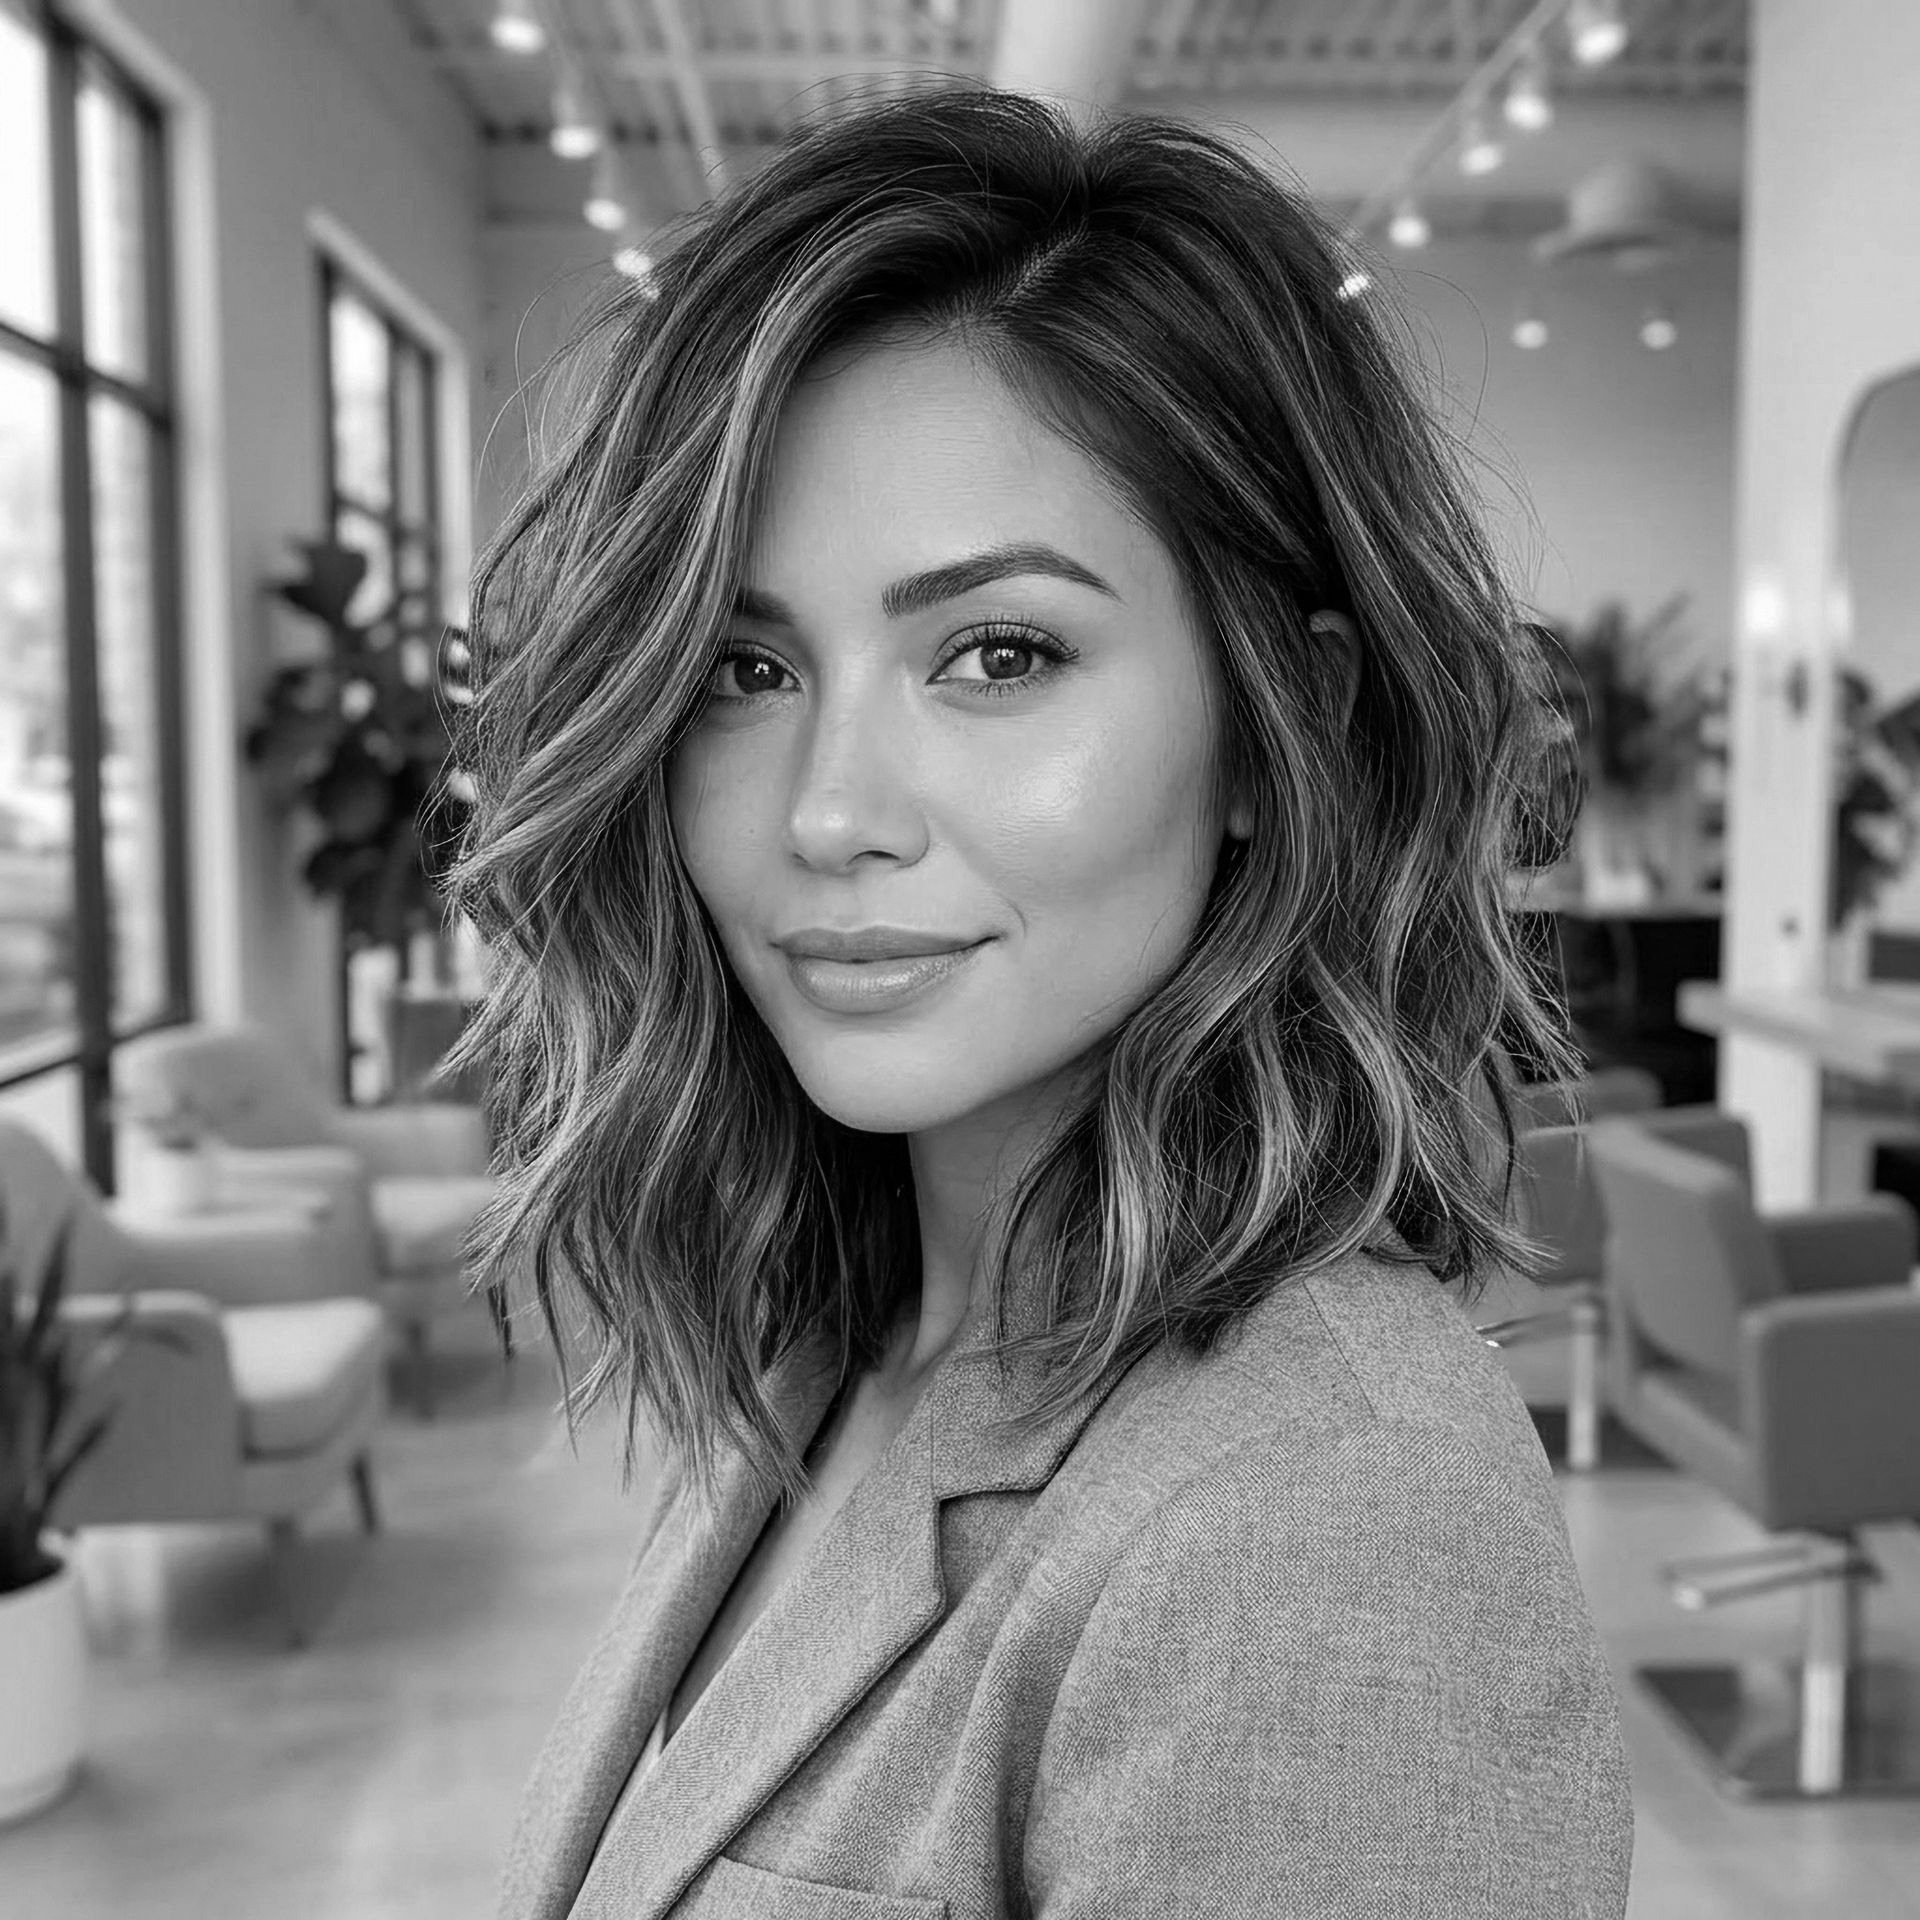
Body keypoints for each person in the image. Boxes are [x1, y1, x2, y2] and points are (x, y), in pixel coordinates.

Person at [448, 83, 1633, 1920]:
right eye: (746, 665)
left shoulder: (1326, 1520)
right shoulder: (833, 1350)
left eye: (999, 655)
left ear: (1277, 721)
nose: (830, 811)